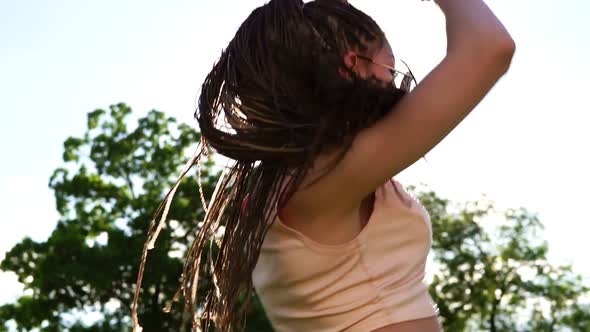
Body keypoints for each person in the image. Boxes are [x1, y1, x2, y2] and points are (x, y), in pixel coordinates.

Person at [132, 0, 515, 331]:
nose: (394, 77)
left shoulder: (287, 181)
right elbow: (488, 47)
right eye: (388, 61)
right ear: (353, 64)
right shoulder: (328, 178)